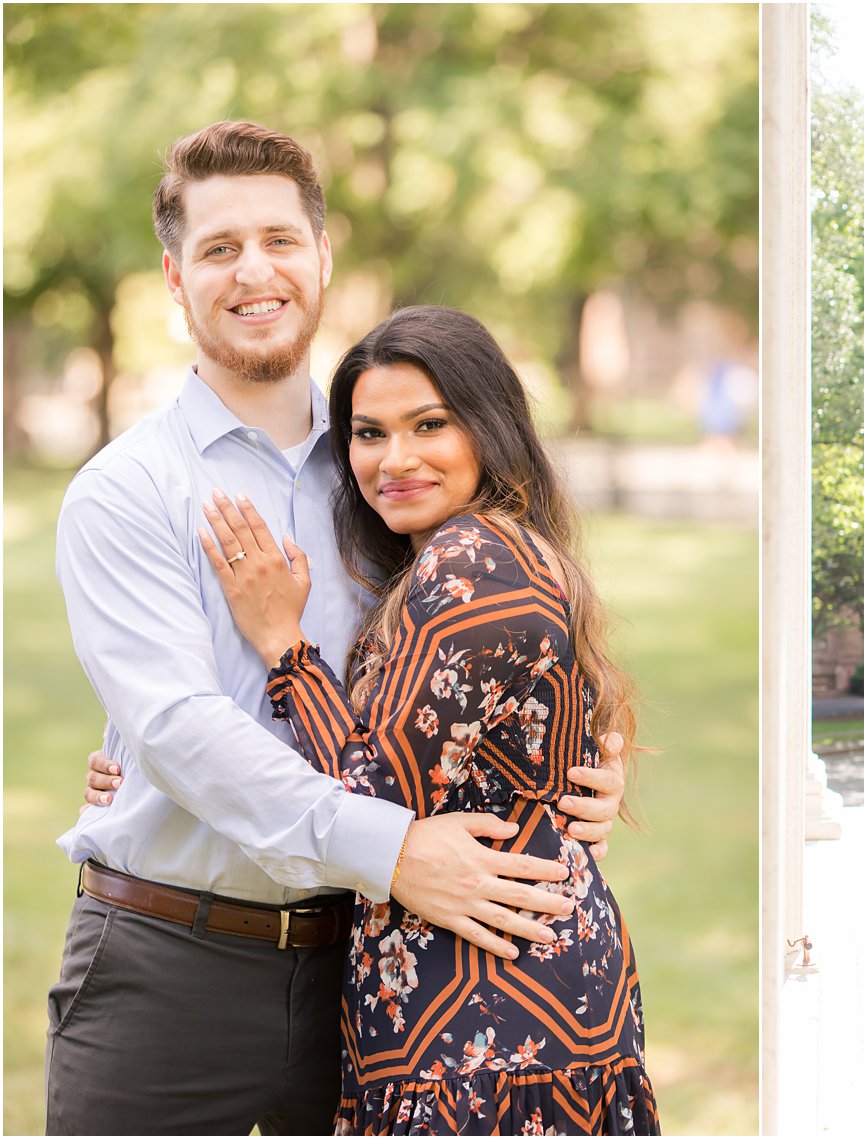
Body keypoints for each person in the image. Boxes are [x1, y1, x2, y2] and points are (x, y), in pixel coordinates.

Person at [47, 121, 625, 1135]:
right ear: (176, 279)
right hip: (171, 966)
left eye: (279, 239)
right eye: (219, 247)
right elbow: (180, 728)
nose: (253, 270)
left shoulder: (395, 469)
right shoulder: (127, 489)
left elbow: (504, 652)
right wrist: (394, 847)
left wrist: (573, 775)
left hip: (377, 974)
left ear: (322, 258)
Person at [200, 304, 658, 1134]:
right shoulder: (481, 550)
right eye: (369, 434)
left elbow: (373, 795)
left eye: (429, 425)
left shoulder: (472, 558)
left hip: (491, 1028)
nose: (394, 458)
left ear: (489, 427)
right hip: (494, 1005)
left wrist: (282, 642)